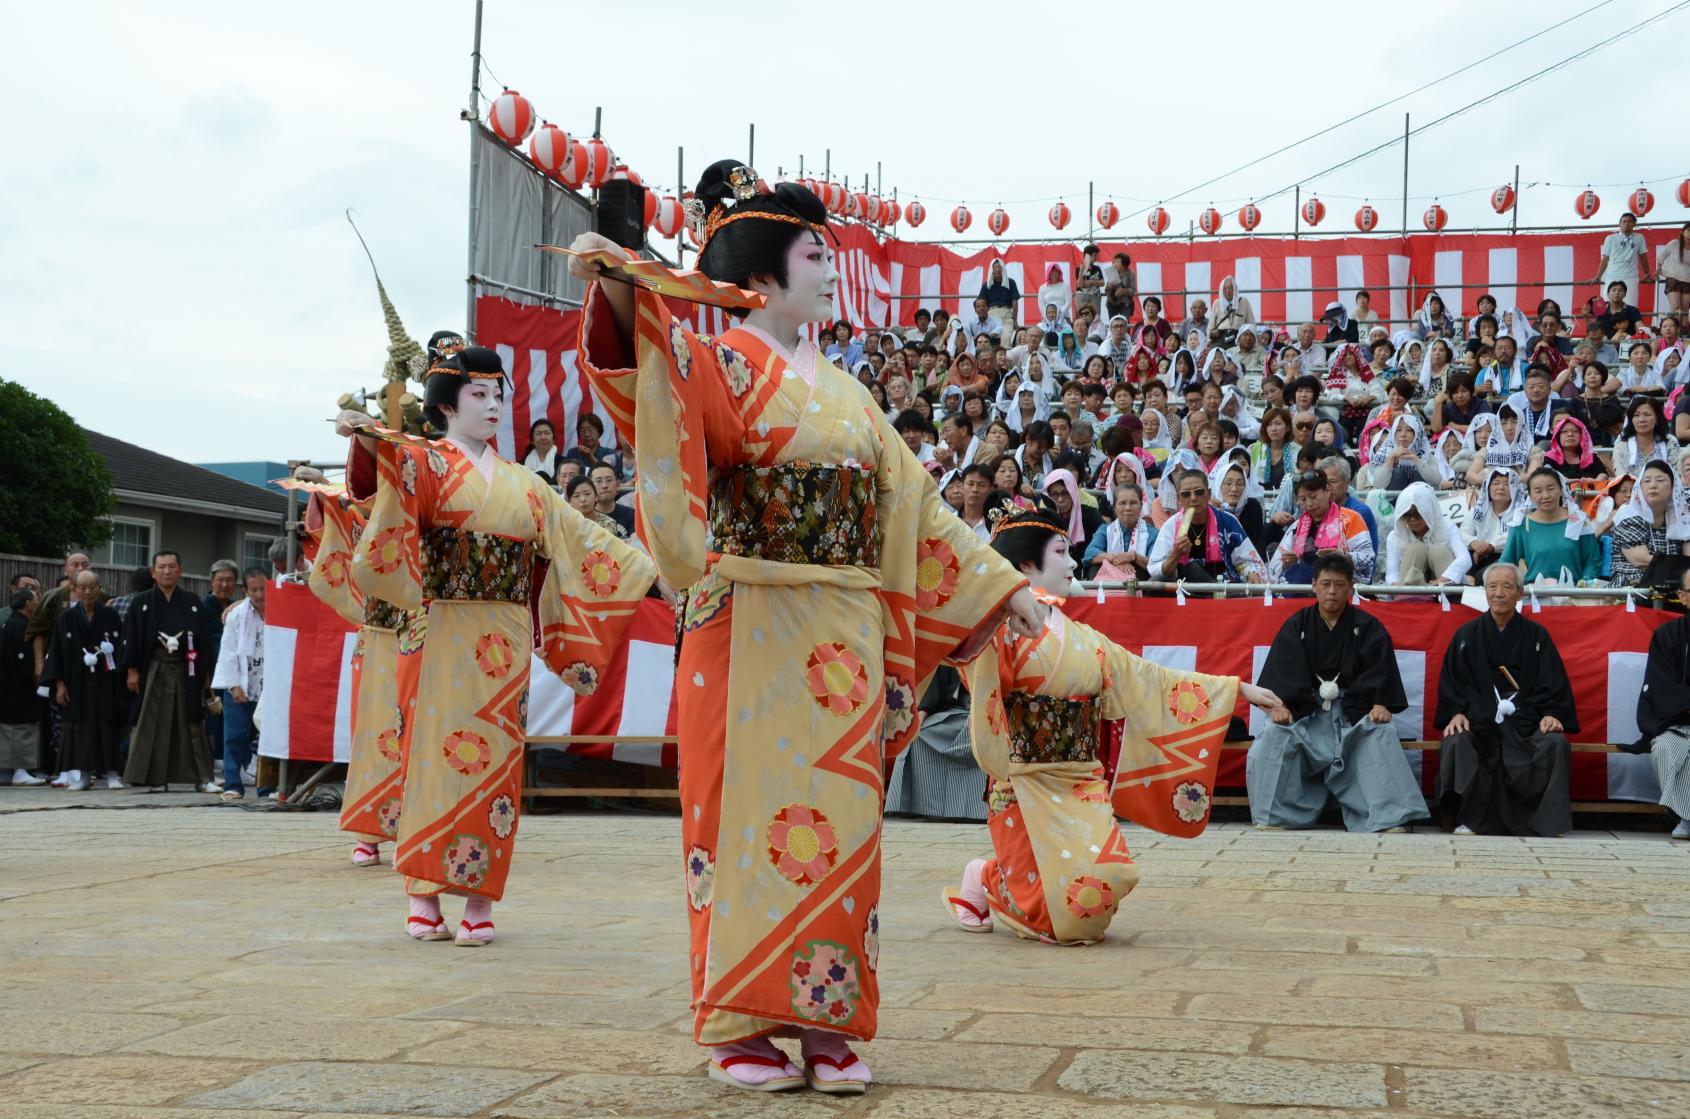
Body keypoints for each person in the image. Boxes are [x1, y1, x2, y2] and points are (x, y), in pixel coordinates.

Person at [570, 163, 1047, 1093]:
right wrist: (624, 282)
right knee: (743, 822)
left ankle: (827, 1016)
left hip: (843, 634)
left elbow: (920, 512)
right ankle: (742, 1022)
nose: (831, 269)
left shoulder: (855, 398)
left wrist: (1001, 586)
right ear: (763, 275)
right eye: (814, 253)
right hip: (747, 622)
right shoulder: (718, 365)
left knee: (841, 822)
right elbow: (655, 387)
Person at [340, 345, 656, 949]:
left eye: (498, 395)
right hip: (439, 631)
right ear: (444, 406)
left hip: (502, 638)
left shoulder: (524, 485)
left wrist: (648, 565)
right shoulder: (427, 465)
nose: (492, 406)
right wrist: (368, 441)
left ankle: (481, 897)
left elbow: (582, 536)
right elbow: (379, 489)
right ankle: (423, 893)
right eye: (478, 395)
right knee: (430, 758)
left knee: (496, 764)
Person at [944, 506, 1275, 944]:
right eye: (1060, 552)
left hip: (1080, 779)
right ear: (1026, 565)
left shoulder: (1084, 638)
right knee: (1061, 919)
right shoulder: (1001, 630)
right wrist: (995, 604)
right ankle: (986, 877)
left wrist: (1237, 690)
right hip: (1024, 782)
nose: (1072, 562)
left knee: (1104, 884)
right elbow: (970, 659)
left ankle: (995, 874)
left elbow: (1152, 679)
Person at [1248, 555, 1425, 832]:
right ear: (1314, 585)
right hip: (1306, 711)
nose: (1332, 591)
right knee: (1273, 734)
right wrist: (1279, 705)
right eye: (1326, 584)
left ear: (1351, 588)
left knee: (1380, 732)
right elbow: (1281, 672)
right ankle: (1275, 815)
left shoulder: (1368, 627)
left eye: (1340, 585)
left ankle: (1387, 817)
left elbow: (1381, 671)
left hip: (1352, 711)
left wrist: (1380, 702)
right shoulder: (1297, 625)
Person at [1436, 565, 1577, 836]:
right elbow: (1452, 683)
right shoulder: (1466, 636)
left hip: (1527, 722)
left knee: (1555, 742)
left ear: (1520, 594)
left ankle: (1543, 822)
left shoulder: (1537, 637)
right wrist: (1456, 713)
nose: (1499, 594)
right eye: (1492, 587)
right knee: (1456, 739)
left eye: (1507, 587)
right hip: (1479, 722)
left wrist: (1551, 713)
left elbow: (1553, 683)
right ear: (1484, 592)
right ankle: (1468, 817)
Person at [120, 550, 217, 794]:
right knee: (154, 723)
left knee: (192, 720)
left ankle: (202, 777)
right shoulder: (141, 602)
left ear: (180, 570)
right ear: (153, 572)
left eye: (172, 566)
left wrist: (206, 672)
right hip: (154, 667)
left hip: (188, 669)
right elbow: (131, 638)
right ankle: (156, 778)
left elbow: (203, 639)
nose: (166, 571)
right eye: (161, 567)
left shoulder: (192, 601)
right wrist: (132, 670)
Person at [37, 572, 125, 791]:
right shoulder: (65, 617)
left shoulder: (110, 615)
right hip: (75, 681)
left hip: (105, 680)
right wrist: (59, 684)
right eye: (82, 588)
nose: (87, 592)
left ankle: (112, 774)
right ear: (73, 590)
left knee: (107, 725)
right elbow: (56, 652)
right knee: (80, 729)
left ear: (99, 588)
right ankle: (84, 776)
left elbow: (121, 649)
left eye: (92, 587)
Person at [1633, 566, 1690, 839]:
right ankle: (1686, 817)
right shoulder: (1668, 636)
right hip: (1677, 722)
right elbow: (1661, 686)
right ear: (1682, 596)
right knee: (1668, 748)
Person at [1149, 468, 1267, 583]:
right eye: (1186, 494)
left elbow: (1246, 561)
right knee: (1187, 570)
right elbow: (1155, 570)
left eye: (1199, 492)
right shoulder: (1171, 526)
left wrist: (1251, 573)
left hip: (1222, 587)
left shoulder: (1227, 521)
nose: (1193, 498)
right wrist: (1175, 555)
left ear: (1209, 494)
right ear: (1179, 499)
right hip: (1182, 590)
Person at [210, 567, 268, 801]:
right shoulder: (236, 615)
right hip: (242, 682)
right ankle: (233, 784)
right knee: (234, 736)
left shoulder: (281, 611)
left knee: (268, 739)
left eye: (263, 589)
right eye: (253, 590)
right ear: (245, 591)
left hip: (269, 684)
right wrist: (233, 685)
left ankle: (267, 786)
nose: (259, 594)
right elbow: (228, 651)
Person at [1499, 468, 1599, 586]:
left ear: (1561, 490)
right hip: (1534, 596)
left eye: (1551, 489)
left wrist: (1585, 583)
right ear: (1530, 495)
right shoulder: (1521, 525)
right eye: (1538, 491)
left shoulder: (1579, 522)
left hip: (1573, 595)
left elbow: (1592, 561)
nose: (1545, 495)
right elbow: (1505, 564)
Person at [1274, 470, 1376, 584]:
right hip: (1303, 586)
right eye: (1303, 499)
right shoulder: (1297, 526)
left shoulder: (1351, 519)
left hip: (1341, 586)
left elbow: (1368, 559)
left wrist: (1343, 557)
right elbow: (1276, 566)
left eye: (1313, 497)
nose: (1309, 504)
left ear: (1327, 491)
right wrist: (1287, 563)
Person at [1609, 461, 1690, 589]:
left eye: (1660, 480)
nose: (1653, 485)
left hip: (1674, 585)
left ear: (1673, 486)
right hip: (1632, 587)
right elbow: (1641, 560)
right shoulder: (1628, 514)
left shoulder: (1682, 516)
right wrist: (1681, 564)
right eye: (1646, 481)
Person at [1, 588, 43, 786]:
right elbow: (24, 661)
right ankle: (19, 770)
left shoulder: (10, 624)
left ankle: (14, 771)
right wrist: (34, 679)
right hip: (18, 686)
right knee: (20, 727)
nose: (38, 602)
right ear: (27, 604)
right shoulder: (21, 627)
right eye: (36, 599)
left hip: (7, 685)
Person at [1386, 482, 1464, 585]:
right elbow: (1391, 573)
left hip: (1444, 583)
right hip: (1411, 589)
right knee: (1416, 549)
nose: (1412, 519)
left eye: (1418, 513)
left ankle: (1449, 596)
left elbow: (1464, 558)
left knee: (1438, 550)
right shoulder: (1394, 536)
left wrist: (1443, 580)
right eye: (1406, 514)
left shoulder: (1448, 528)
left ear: (1429, 510)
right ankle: (1405, 596)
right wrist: (1396, 585)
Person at [1084, 481, 1155, 580]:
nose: (1128, 508)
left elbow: (1156, 565)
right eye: (1122, 503)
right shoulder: (1105, 529)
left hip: (1140, 586)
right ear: (1114, 507)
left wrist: (1133, 557)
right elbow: (1089, 553)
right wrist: (1116, 559)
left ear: (1141, 506)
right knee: (1095, 567)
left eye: (1133, 503)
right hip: (1109, 583)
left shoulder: (1152, 533)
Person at [1591, 211, 1652, 297]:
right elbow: (1605, 259)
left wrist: (1647, 274)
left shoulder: (1639, 238)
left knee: (1629, 307)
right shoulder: (1610, 238)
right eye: (1624, 222)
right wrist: (1598, 276)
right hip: (1612, 277)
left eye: (1630, 222)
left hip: (1630, 277)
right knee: (1609, 306)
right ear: (1619, 224)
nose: (1627, 224)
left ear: (1634, 224)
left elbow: (1643, 257)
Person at [1544, 416, 1606, 483]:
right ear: (1558, 436)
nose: (1570, 434)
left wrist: (1596, 481)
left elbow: (1603, 474)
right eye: (1565, 431)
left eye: (1575, 431)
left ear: (1582, 435)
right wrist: (1566, 482)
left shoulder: (1591, 456)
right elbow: (1548, 478)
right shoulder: (1549, 458)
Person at [1207, 276, 1254, 346]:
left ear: (1235, 289)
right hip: (1221, 338)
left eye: (1230, 288)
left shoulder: (1244, 302)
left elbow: (1251, 322)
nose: (1228, 291)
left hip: (1239, 337)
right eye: (1225, 288)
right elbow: (1211, 325)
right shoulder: (1217, 303)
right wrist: (1209, 340)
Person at [521, 418, 560, 483]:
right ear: (532, 440)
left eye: (547, 433)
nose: (543, 437)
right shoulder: (521, 465)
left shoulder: (562, 463)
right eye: (538, 434)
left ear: (553, 439)